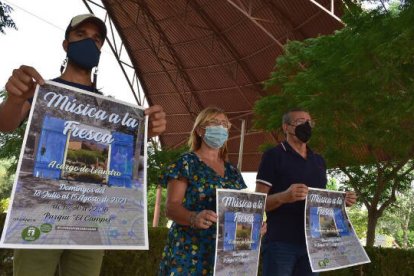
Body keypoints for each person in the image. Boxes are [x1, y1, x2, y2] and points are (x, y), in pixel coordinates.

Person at [0, 14, 166, 276]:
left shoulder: (112, 108)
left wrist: (145, 134)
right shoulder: (42, 91)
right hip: (39, 210)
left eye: (96, 39)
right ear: (66, 44)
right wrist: (13, 99)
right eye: (81, 35)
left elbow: (118, 159)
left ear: (100, 51)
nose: (89, 41)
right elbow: (5, 124)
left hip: (89, 219)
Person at [255, 108, 357, 276]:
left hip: (314, 245)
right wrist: (284, 197)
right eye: (300, 122)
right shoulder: (273, 156)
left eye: (310, 123)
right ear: (286, 127)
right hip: (281, 242)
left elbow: (320, 203)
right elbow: (257, 203)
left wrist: (340, 201)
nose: (307, 126)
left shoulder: (318, 160)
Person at [158, 106, 247, 275]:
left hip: (224, 254)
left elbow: (240, 210)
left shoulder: (233, 171)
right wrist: (193, 217)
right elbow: (171, 208)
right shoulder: (186, 162)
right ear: (200, 130)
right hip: (189, 250)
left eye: (224, 124)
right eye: (214, 123)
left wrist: (253, 226)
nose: (220, 127)